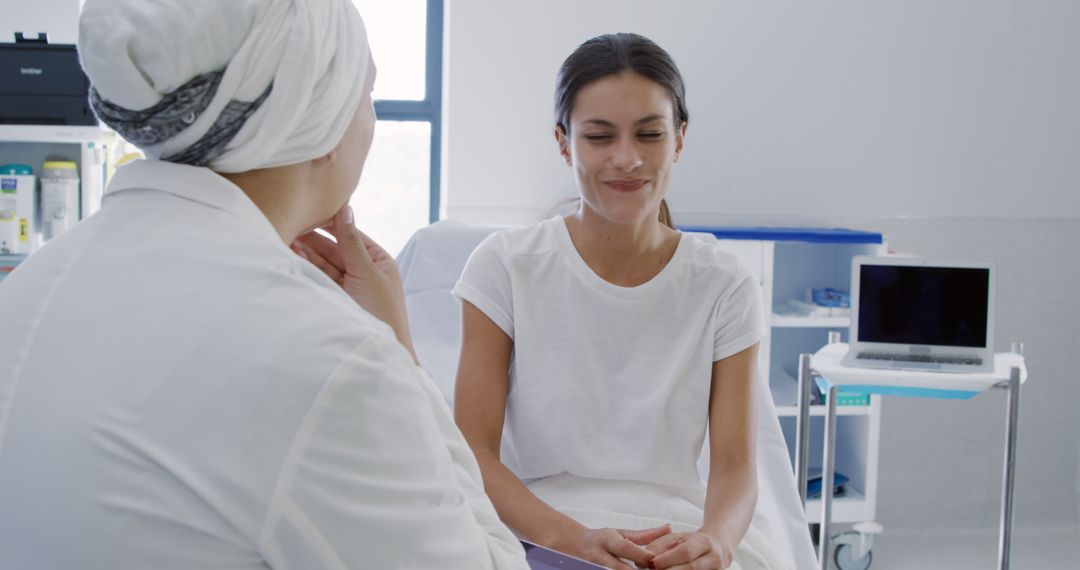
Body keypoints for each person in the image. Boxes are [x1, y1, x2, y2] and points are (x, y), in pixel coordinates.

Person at [0, 1, 527, 568]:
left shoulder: (29, 289)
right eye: (367, 95)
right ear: (322, 119)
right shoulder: (334, 360)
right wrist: (399, 352)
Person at [453, 33, 783, 570]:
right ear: (564, 143)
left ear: (679, 139)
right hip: (539, 528)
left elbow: (735, 468)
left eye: (649, 134)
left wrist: (717, 542)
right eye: (600, 137)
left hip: (681, 533)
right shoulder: (505, 267)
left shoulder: (723, 284)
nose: (626, 159)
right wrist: (571, 539)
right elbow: (474, 455)